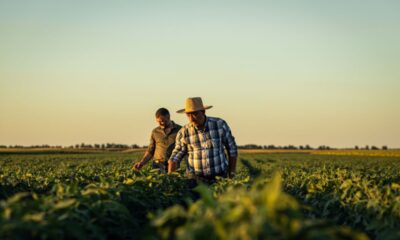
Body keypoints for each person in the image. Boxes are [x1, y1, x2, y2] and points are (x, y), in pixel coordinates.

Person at [168, 97, 238, 185]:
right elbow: (175, 158)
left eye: (194, 114)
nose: (191, 118)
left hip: (219, 179)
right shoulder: (184, 132)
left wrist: (231, 174)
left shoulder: (219, 124)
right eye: (188, 114)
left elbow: (232, 149)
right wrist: (171, 180)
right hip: (195, 180)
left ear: (203, 112)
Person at [133, 108, 181, 172]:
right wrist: (141, 163)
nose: (160, 123)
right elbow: (150, 150)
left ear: (169, 117)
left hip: (173, 164)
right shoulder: (155, 132)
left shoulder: (180, 130)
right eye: (158, 122)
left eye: (163, 121)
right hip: (157, 165)